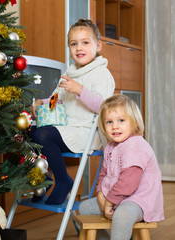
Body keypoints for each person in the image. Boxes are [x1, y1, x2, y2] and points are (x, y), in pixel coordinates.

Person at [31, 19, 115, 205]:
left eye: (85, 42)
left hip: (84, 131)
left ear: (98, 45)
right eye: (73, 43)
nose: (79, 48)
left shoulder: (101, 74)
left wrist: (79, 90)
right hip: (63, 128)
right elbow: (57, 100)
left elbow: (103, 106)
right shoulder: (70, 73)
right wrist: (42, 102)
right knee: (29, 131)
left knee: (43, 134)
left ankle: (63, 180)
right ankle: (43, 178)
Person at [78, 94, 164, 240]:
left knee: (122, 215)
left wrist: (109, 202)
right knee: (83, 208)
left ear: (134, 122)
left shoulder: (135, 146)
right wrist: (100, 195)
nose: (115, 126)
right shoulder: (111, 147)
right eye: (109, 122)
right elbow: (103, 175)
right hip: (115, 198)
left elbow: (128, 184)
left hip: (138, 200)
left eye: (121, 120)